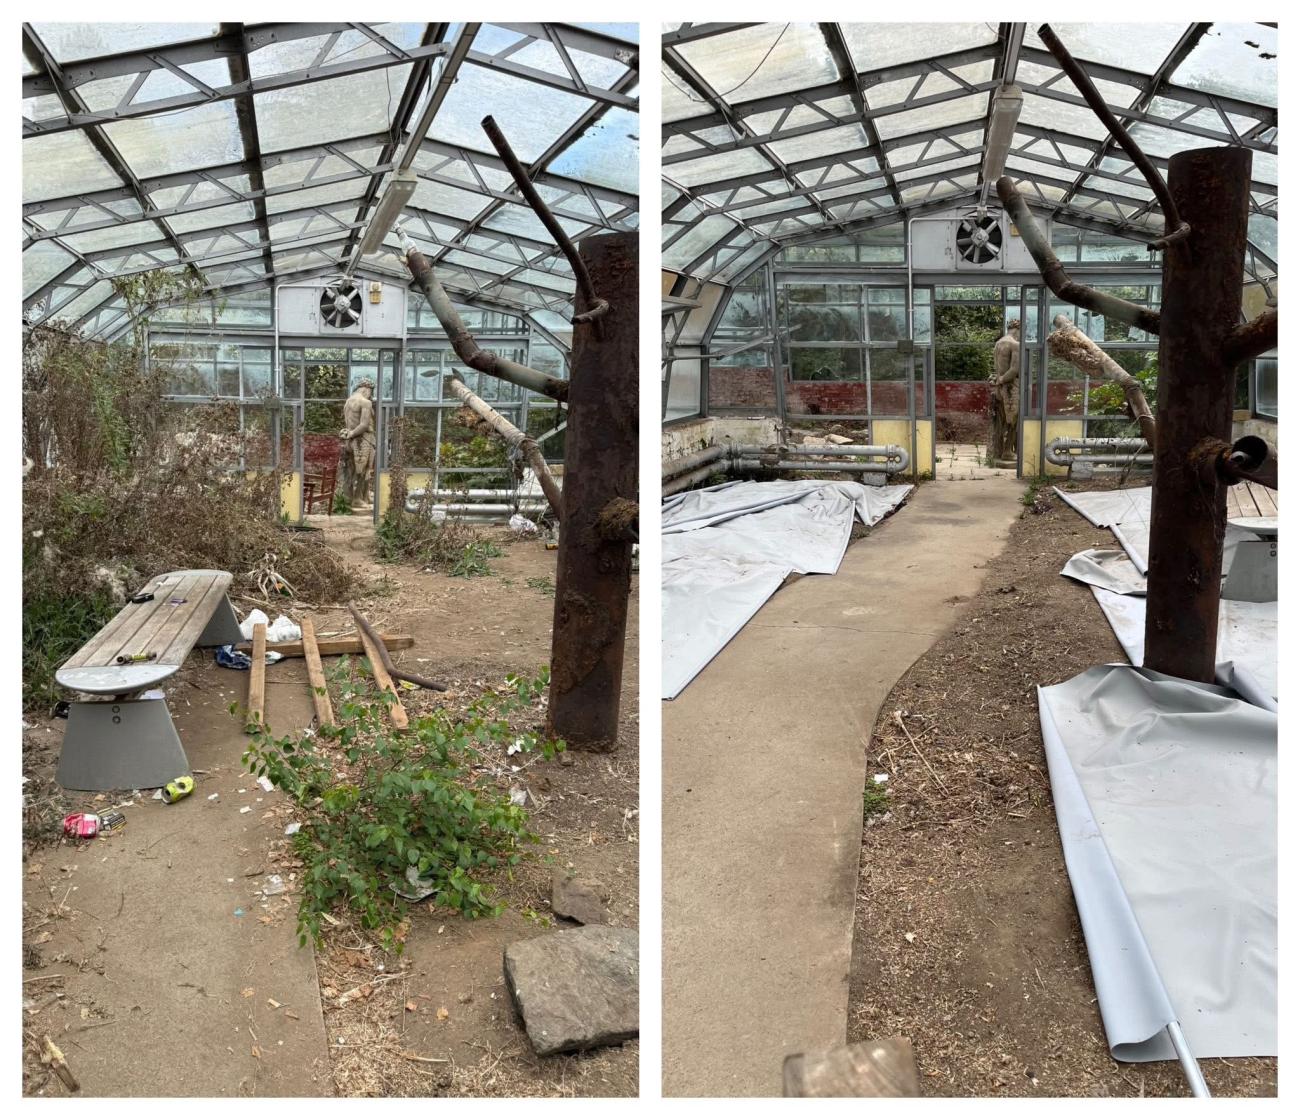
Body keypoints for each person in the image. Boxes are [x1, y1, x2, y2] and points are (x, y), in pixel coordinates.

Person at [989, 319, 1021, 462]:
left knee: (1003, 419)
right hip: (1010, 386)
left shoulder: (998, 343)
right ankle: (1007, 451)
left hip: (1000, 388)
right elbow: (1014, 370)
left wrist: (998, 381)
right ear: (1018, 329)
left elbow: (998, 367)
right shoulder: (1015, 344)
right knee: (1014, 420)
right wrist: (1002, 380)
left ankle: (1000, 451)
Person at [340, 379, 376, 504]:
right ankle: (357, 498)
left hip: (349, 440)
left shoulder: (348, 401)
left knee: (352, 468)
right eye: (370, 392)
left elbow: (349, 421)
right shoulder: (365, 402)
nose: (370, 395)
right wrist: (353, 433)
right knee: (363, 469)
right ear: (366, 389)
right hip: (362, 438)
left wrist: (349, 434)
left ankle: (361, 496)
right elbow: (364, 425)